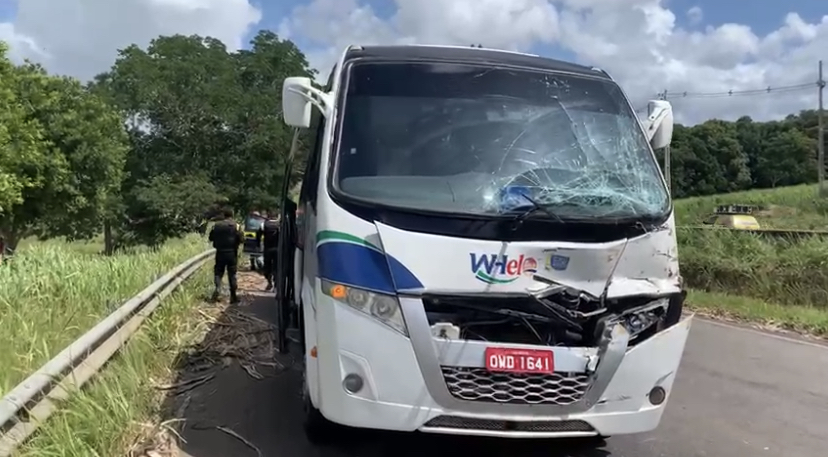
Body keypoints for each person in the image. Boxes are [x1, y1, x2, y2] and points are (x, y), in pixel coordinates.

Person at [208, 208, 243, 303]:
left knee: (218, 272)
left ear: (224, 215)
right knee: (232, 274)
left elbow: (210, 238)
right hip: (232, 253)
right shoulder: (236, 226)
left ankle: (218, 288)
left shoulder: (216, 226)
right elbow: (241, 239)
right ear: (232, 215)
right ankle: (233, 296)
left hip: (220, 252)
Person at [256, 211, 280, 291]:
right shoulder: (280, 225)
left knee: (267, 267)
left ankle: (269, 282)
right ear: (276, 217)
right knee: (277, 267)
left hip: (267, 249)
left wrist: (258, 245)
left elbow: (258, 236)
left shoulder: (263, 225)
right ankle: (276, 283)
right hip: (278, 249)